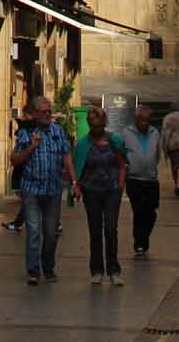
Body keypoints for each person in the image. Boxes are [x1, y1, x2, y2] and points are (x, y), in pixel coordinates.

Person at [11, 94, 79, 286]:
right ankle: (33, 270)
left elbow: (66, 156)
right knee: (33, 230)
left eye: (49, 110)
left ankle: (48, 266)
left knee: (51, 232)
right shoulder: (26, 133)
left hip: (53, 190)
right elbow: (14, 159)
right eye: (44, 111)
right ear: (34, 114)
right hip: (31, 189)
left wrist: (74, 181)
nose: (48, 114)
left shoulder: (58, 131)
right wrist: (31, 147)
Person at [73, 107, 127, 284]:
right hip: (92, 192)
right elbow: (79, 167)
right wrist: (77, 187)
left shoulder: (115, 141)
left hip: (112, 191)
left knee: (111, 230)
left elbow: (122, 164)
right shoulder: (82, 145)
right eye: (91, 125)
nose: (94, 128)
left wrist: (120, 185)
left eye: (97, 125)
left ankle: (114, 270)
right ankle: (96, 270)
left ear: (104, 123)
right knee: (95, 231)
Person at [123, 104, 163, 258]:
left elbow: (157, 155)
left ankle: (143, 237)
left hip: (151, 179)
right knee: (138, 212)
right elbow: (122, 152)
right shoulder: (126, 133)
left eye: (147, 120)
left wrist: (150, 164)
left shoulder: (155, 133)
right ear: (136, 120)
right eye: (142, 120)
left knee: (151, 213)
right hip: (134, 179)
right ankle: (140, 243)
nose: (145, 123)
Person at [4, 96, 35, 233]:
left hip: (25, 166)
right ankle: (18, 223)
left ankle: (17, 223)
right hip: (27, 166)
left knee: (28, 197)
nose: (23, 117)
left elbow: (20, 148)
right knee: (29, 198)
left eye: (25, 114)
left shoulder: (25, 130)